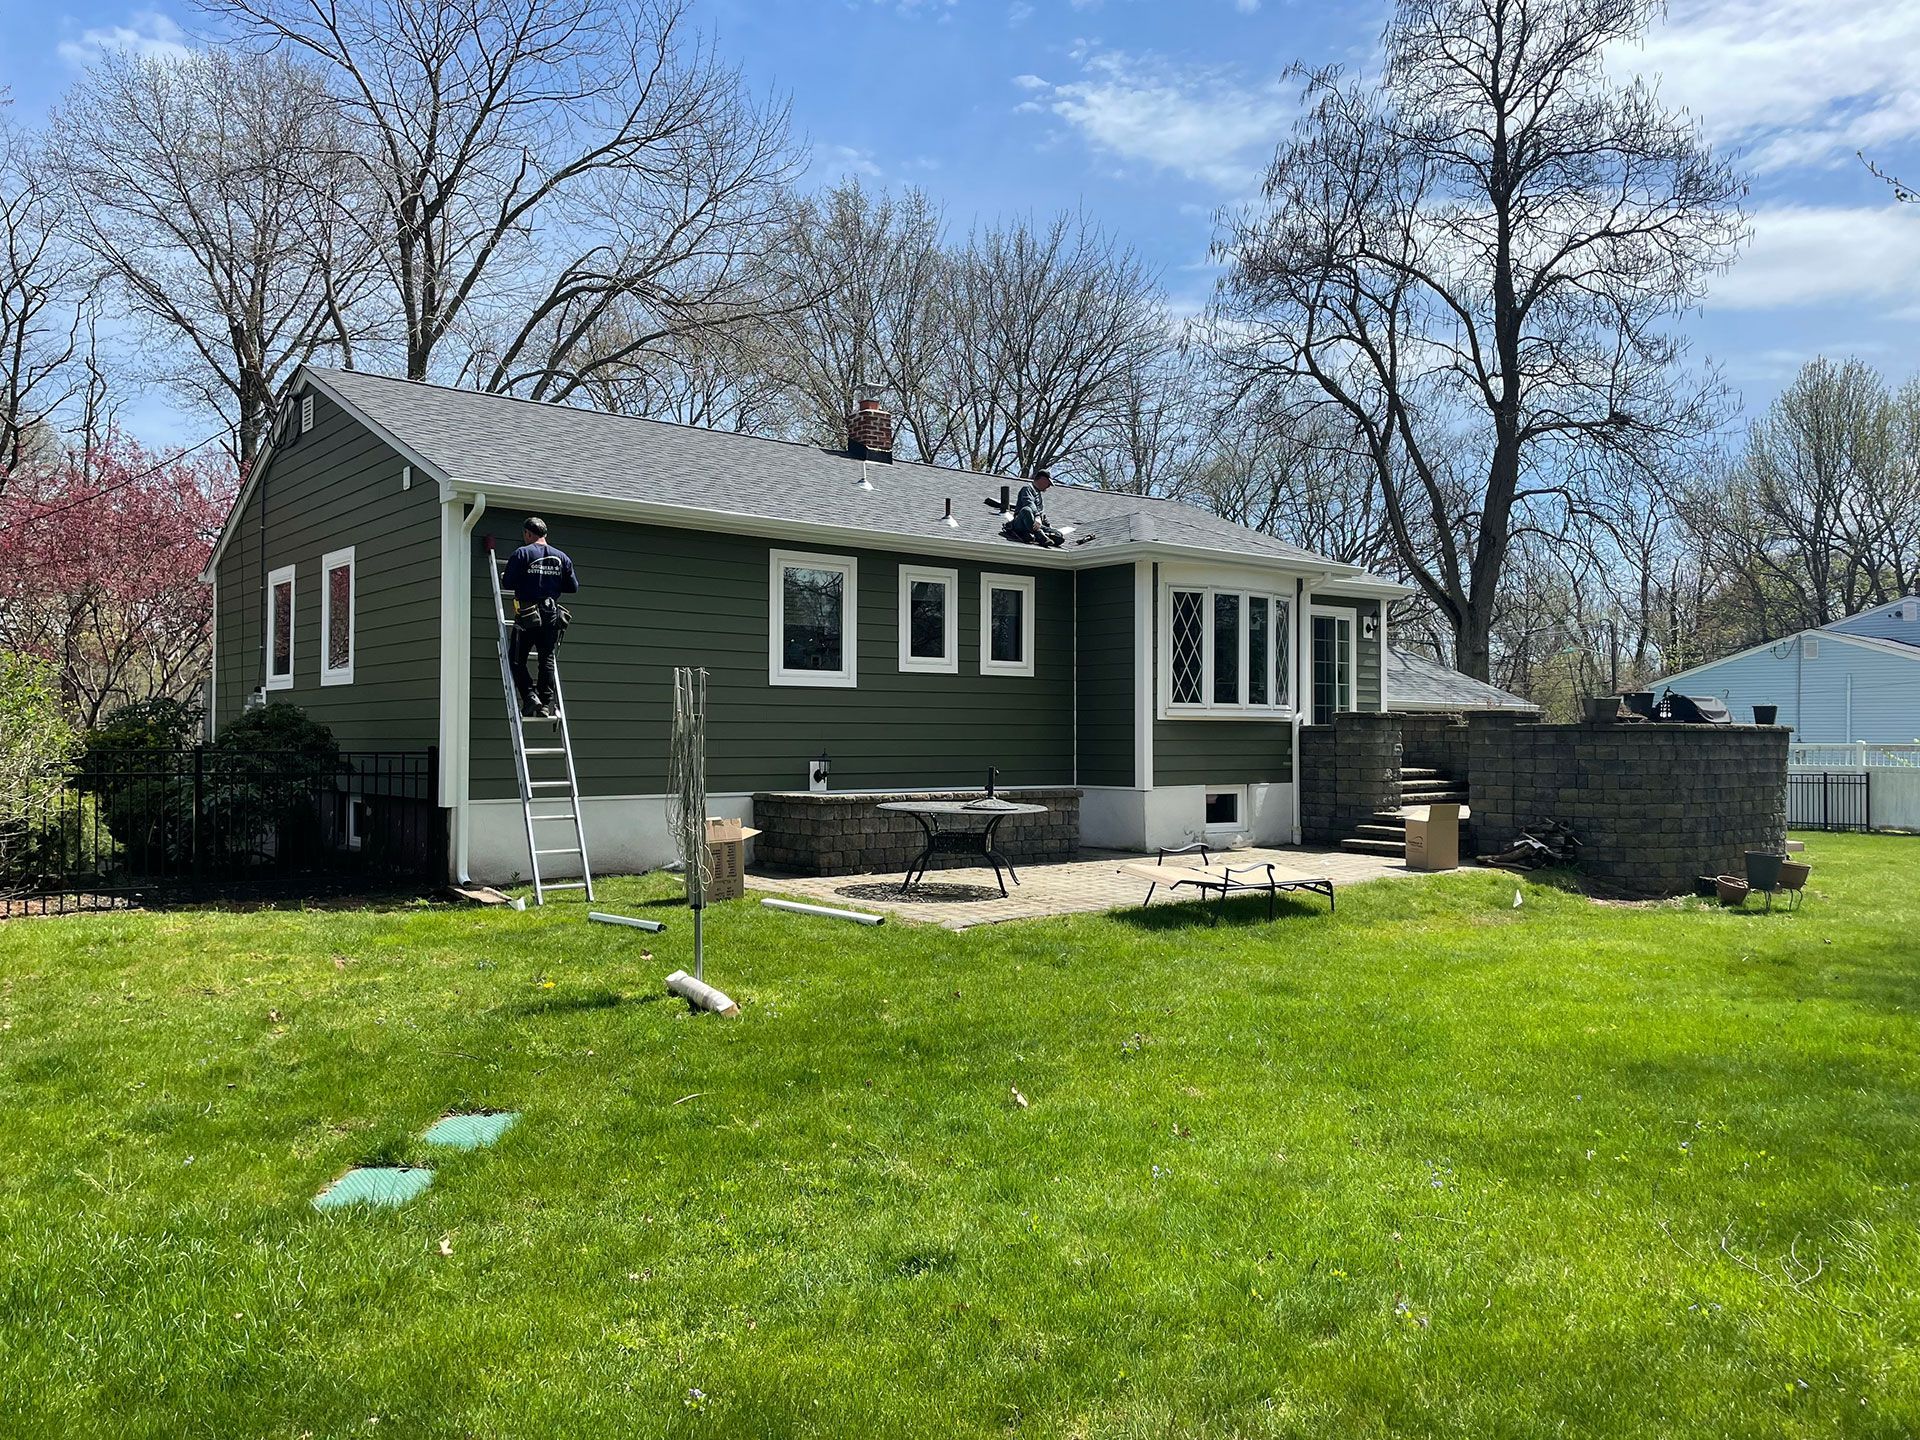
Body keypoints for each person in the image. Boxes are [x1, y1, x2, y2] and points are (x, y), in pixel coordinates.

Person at [501, 516, 579, 718]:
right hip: (551, 615)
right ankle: (545, 704)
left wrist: (525, 580)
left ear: (527, 533)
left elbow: (508, 582)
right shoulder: (561, 557)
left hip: (528, 614)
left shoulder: (522, 553)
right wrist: (551, 583)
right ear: (545, 534)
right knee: (547, 659)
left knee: (516, 659)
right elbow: (573, 587)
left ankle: (530, 698)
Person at [1006, 469, 1066, 547]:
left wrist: (1050, 527)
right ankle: (1040, 536)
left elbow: (1042, 516)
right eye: (1048, 483)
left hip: (1035, 525)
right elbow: (1028, 502)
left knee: (1058, 533)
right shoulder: (1027, 488)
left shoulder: (1039, 495)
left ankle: (1043, 536)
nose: (1048, 486)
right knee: (1026, 510)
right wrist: (1037, 516)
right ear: (1042, 480)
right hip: (1021, 524)